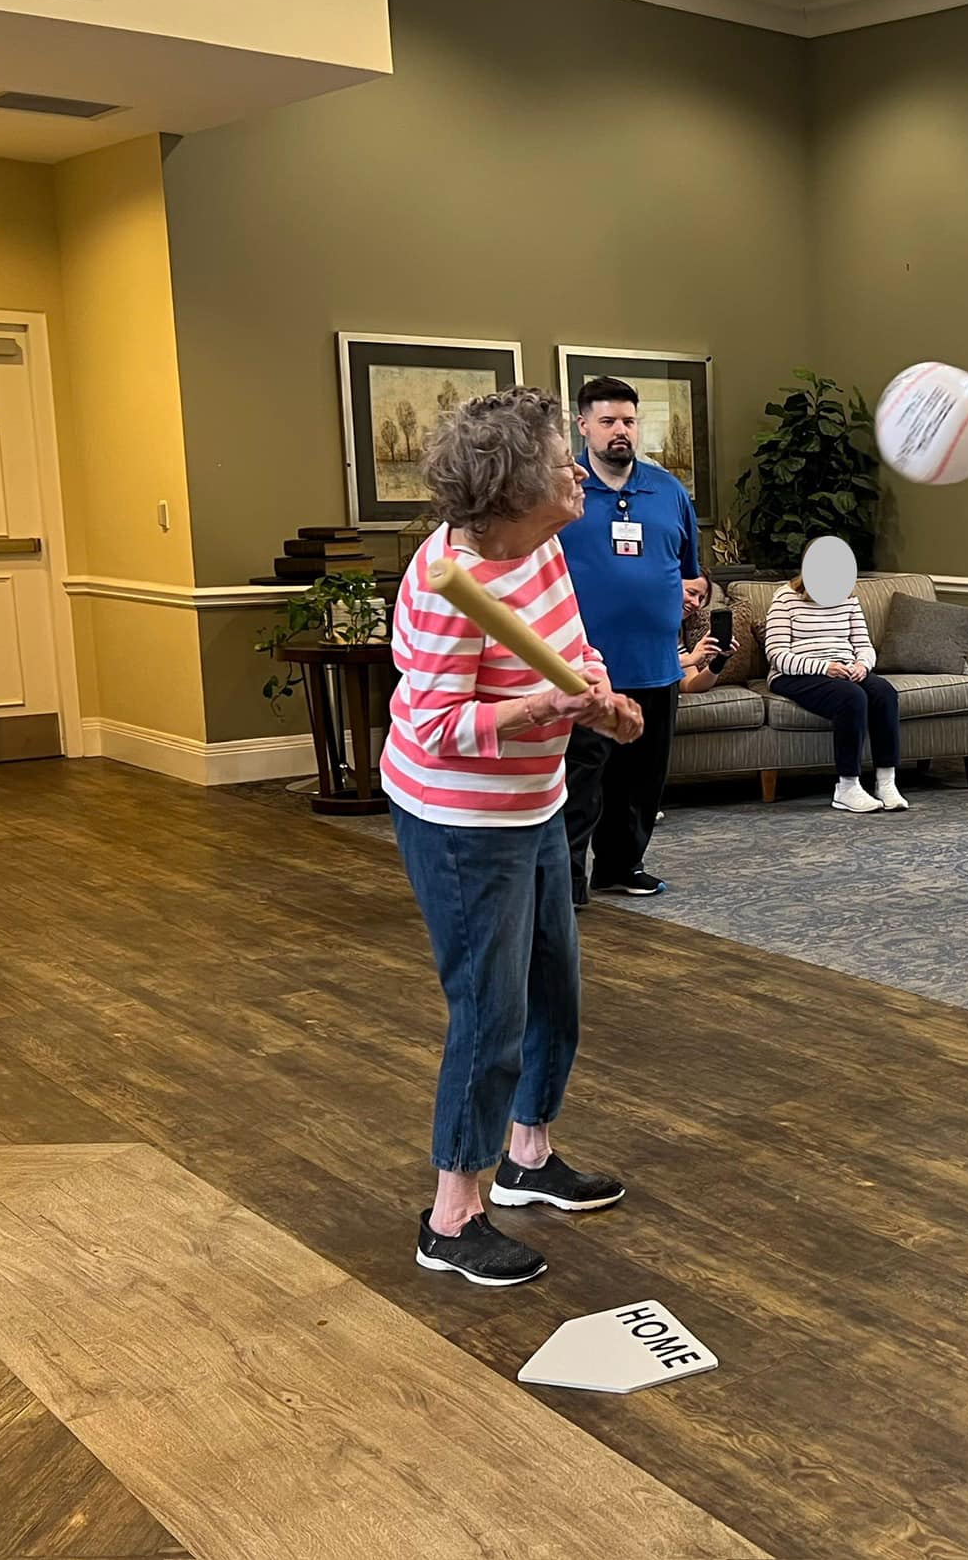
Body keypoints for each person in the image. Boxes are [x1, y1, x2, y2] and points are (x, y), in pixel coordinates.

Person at [383, 386, 643, 1287]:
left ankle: (530, 1154)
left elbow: (570, 645)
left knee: (554, 992)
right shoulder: (447, 585)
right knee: (489, 1014)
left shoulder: (541, 545)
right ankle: (452, 1215)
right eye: (555, 465)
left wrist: (600, 698)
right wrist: (544, 706)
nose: (577, 469)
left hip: (533, 801)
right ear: (509, 493)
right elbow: (433, 726)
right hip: (459, 820)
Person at [558, 377, 700, 903]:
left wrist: (693, 592)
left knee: (641, 782)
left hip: (656, 664)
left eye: (629, 421)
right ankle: (567, 881)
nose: (620, 431)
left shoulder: (668, 491)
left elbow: (690, 571)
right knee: (581, 783)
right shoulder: (564, 493)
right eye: (608, 421)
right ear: (583, 426)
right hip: (585, 668)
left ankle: (620, 866)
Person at [765, 575, 906, 812]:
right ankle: (847, 787)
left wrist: (862, 665)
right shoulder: (785, 599)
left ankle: (886, 782)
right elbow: (777, 655)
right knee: (851, 697)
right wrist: (823, 668)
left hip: (845, 668)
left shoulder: (849, 600)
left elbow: (863, 645)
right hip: (795, 674)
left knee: (884, 692)